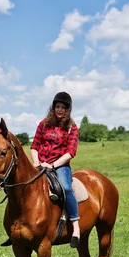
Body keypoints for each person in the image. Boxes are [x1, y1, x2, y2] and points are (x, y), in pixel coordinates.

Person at [31, 91, 81, 247]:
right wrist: (37, 162)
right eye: (57, 106)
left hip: (60, 165)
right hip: (41, 163)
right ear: (53, 108)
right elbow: (35, 146)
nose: (60, 110)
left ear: (68, 110)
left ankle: (75, 226)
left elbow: (70, 152)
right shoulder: (43, 124)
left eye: (63, 108)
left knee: (66, 187)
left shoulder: (71, 128)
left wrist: (52, 165)